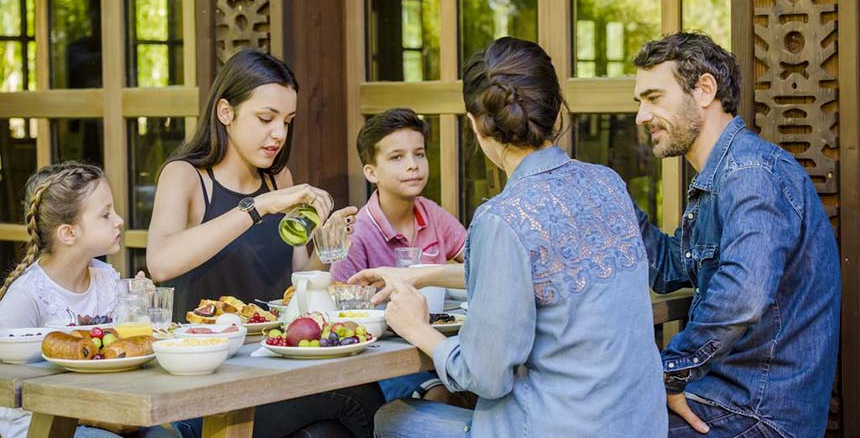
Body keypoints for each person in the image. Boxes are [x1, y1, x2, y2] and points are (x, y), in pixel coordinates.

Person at [370, 37, 667, 437]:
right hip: (640, 425)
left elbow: (486, 376)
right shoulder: (607, 183)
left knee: (393, 418)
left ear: (475, 123)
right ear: (556, 105)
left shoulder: (503, 218)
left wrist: (415, 327)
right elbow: (545, 273)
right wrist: (422, 274)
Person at [146, 49, 383, 438]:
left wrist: (328, 246)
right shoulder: (185, 176)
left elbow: (295, 283)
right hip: (199, 386)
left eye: (287, 122)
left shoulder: (278, 179)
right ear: (226, 112)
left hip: (268, 369)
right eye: (265, 118)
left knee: (327, 433)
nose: (279, 134)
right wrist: (256, 207)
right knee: (358, 397)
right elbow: (161, 263)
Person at [631, 32, 840, 438]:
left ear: (704, 89)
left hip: (758, 414)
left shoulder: (750, 175)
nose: (641, 116)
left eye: (653, 97)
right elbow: (669, 267)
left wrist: (669, 373)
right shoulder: (723, 177)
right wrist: (613, 203)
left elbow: (743, 296)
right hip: (725, 400)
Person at [0, 162, 173, 438]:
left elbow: (120, 356)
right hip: (37, 425)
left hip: (103, 412)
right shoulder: (26, 297)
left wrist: (139, 307)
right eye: (105, 215)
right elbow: (8, 398)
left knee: (166, 436)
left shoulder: (106, 280)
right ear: (69, 233)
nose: (119, 220)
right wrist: (99, 420)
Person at [330, 108, 466, 405]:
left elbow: (478, 263)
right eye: (397, 157)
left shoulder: (433, 215)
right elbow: (337, 306)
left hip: (435, 341)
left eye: (419, 154)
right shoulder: (359, 232)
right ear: (371, 172)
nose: (412, 166)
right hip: (383, 354)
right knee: (439, 392)